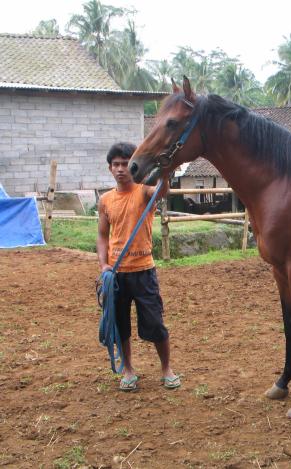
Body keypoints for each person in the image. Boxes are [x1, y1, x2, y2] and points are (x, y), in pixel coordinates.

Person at [97, 142, 179, 391]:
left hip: (144, 271)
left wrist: (165, 174)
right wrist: (103, 265)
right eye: (116, 165)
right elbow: (102, 235)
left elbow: (161, 191)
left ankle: (167, 369)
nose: (121, 169)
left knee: (155, 323)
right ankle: (129, 370)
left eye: (125, 164)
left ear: (132, 166)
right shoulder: (106, 200)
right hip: (117, 274)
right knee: (121, 325)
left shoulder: (144, 192)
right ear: (110, 168)